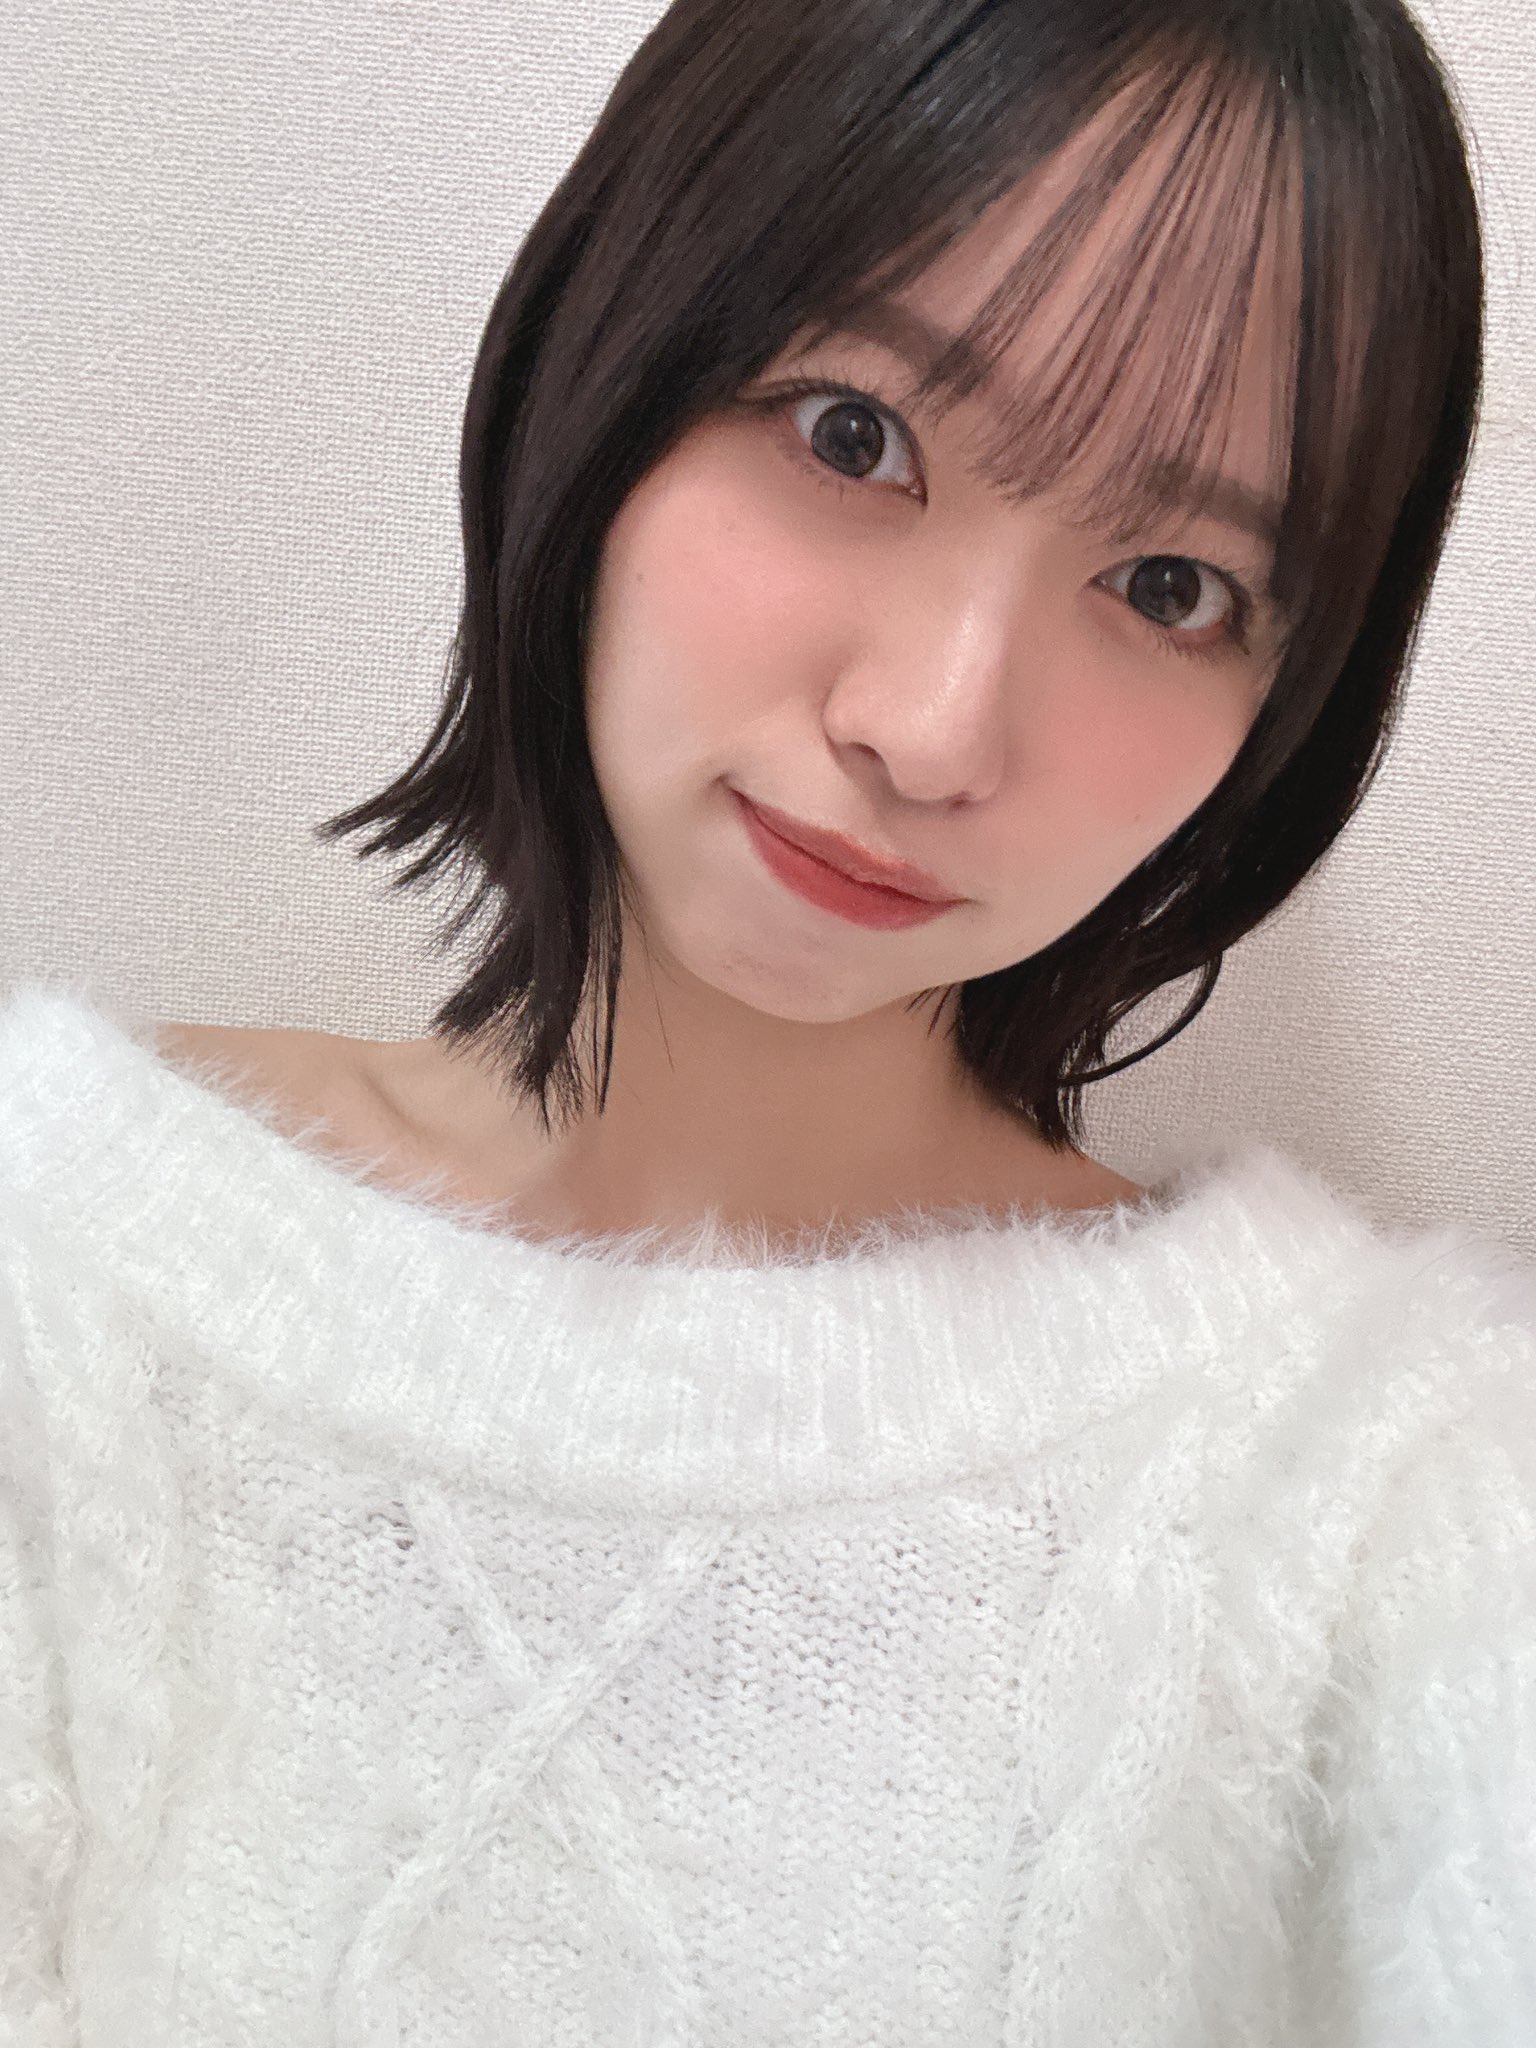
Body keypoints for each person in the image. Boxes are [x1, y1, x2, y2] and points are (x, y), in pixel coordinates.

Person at [2, 1, 1532, 2042]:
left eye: (1171, 585)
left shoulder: (1385, 1488)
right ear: (610, 363)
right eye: (852, 434)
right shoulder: (60, 1268)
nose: (933, 728)